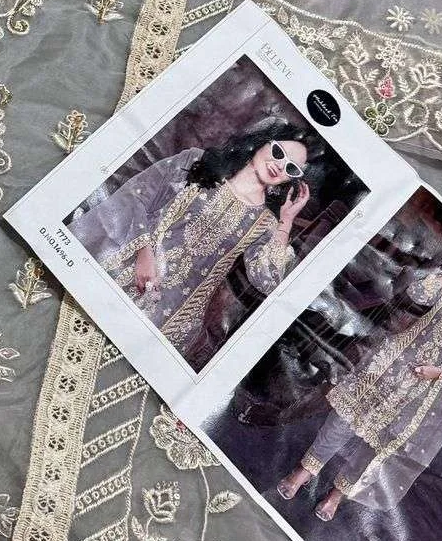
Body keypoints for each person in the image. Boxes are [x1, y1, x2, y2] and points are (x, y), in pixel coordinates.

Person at [68, 121, 317, 361]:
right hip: (127, 261)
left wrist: (286, 221)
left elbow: (267, 280)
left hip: (169, 314)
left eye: (291, 168)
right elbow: (136, 195)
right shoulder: (197, 162)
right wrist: (143, 252)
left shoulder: (265, 223)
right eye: (278, 153)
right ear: (263, 142)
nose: (279, 166)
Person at [278, 262, 442, 520]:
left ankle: (337, 494)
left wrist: (438, 374)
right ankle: (305, 470)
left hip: (416, 394)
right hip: (386, 366)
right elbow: (416, 293)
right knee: (343, 419)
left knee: (376, 445)